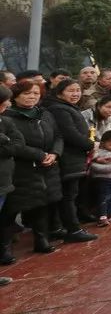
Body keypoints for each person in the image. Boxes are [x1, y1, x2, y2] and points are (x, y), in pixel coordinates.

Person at [0, 81, 63, 257]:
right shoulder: (8, 117)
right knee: (11, 209)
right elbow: (16, 145)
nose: (32, 96)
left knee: (41, 203)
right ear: (15, 96)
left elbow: (58, 135)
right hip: (19, 169)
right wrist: (39, 155)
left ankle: (41, 240)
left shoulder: (45, 114)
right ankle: (5, 248)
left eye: (35, 93)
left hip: (46, 167)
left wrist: (54, 153)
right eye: (27, 93)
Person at [43, 79, 99, 243]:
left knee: (67, 195)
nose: (75, 94)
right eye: (71, 91)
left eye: (77, 90)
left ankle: (58, 227)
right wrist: (90, 144)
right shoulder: (59, 109)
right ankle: (73, 230)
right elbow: (69, 134)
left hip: (74, 158)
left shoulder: (65, 107)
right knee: (68, 196)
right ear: (60, 93)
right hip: (68, 158)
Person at [0, 85, 21, 283]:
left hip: (4, 182)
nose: (8, 104)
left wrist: (6, 141)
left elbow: (17, 145)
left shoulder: (6, 121)